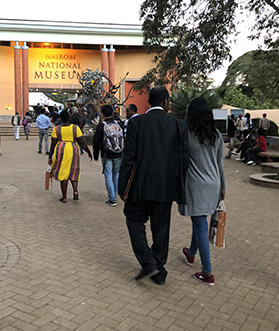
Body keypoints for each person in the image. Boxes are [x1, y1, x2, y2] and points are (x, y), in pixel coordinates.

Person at [118, 87, 189, 285]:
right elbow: (184, 160)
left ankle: (148, 262)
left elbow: (128, 157)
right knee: (161, 228)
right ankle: (158, 267)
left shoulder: (137, 123)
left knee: (134, 221)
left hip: (139, 187)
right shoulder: (178, 125)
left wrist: (122, 186)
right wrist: (179, 186)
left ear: (149, 102)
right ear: (166, 102)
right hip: (166, 189)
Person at [180, 97, 225, 286]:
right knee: (199, 220)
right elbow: (220, 163)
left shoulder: (188, 135)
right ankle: (191, 253)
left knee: (199, 223)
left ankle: (207, 272)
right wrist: (223, 187)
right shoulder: (216, 135)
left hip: (195, 185)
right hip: (214, 184)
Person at [48, 110, 92, 203]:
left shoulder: (56, 129)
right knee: (74, 170)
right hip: (73, 149)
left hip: (61, 149)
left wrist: (50, 156)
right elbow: (81, 142)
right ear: (69, 117)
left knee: (63, 173)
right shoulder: (75, 128)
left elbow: (53, 144)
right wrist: (88, 152)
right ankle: (75, 191)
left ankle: (64, 197)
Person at [93, 105, 125, 207]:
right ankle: (115, 195)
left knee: (108, 175)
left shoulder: (101, 125)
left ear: (102, 113)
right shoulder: (119, 123)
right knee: (116, 175)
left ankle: (112, 199)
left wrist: (95, 155)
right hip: (119, 153)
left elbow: (96, 141)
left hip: (106, 154)